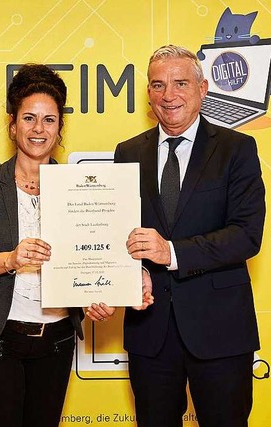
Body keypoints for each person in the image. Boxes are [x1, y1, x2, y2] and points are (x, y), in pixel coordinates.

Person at [0, 64, 147, 427]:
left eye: (49, 120)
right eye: (29, 118)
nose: (38, 129)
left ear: (60, 129)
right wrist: (8, 259)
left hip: (56, 340)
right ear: (12, 125)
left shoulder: (80, 187)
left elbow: (91, 260)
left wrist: (95, 296)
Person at [115, 45, 265, 427]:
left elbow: (247, 235)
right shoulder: (128, 153)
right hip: (150, 331)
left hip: (220, 330)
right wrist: (129, 273)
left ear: (204, 88)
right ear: (148, 93)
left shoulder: (238, 149)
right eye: (158, 84)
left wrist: (172, 252)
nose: (169, 95)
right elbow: (118, 232)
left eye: (181, 83)